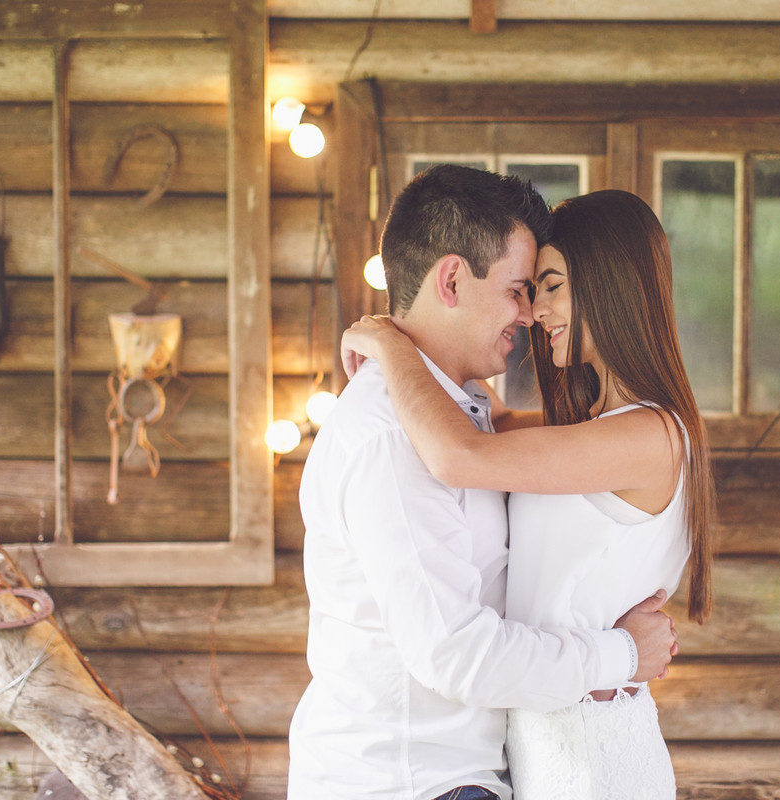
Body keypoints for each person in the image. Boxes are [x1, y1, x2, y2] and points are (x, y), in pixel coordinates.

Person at [287, 166, 679, 800]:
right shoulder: (396, 437)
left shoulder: (461, 420)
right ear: (451, 279)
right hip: (410, 785)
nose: (529, 314)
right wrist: (621, 655)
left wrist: (393, 344)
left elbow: (478, 444)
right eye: (521, 288)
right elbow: (456, 655)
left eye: (547, 290)